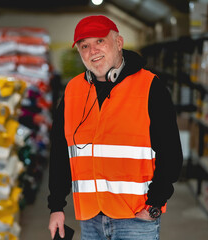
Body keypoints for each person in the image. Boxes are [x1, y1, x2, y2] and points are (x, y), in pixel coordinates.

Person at [48, 15, 183, 240]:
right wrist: (56, 207)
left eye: (99, 41)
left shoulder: (150, 86)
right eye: (84, 46)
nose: (92, 51)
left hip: (137, 219)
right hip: (90, 219)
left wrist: (155, 204)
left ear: (118, 43)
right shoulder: (72, 91)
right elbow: (60, 154)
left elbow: (171, 154)